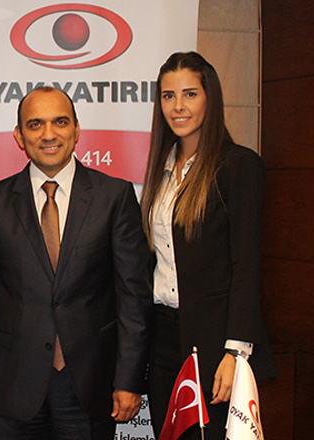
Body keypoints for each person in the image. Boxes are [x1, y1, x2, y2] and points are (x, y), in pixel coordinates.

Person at [0, 87, 152, 440]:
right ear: (19, 136)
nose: (48, 134)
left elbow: (133, 297)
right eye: (35, 124)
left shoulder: (114, 196)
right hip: (13, 386)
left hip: (91, 385)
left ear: (77, 130)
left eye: (60, 122)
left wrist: (128, 380)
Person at [140, 51, 278, 440]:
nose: (178, 107)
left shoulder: (238, 166)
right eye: (168, 96)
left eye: (190, 94)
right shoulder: (161, 168)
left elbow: (246, 265)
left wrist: (235, 354)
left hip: (215, 342)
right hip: (163, 339)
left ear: (210, 98)